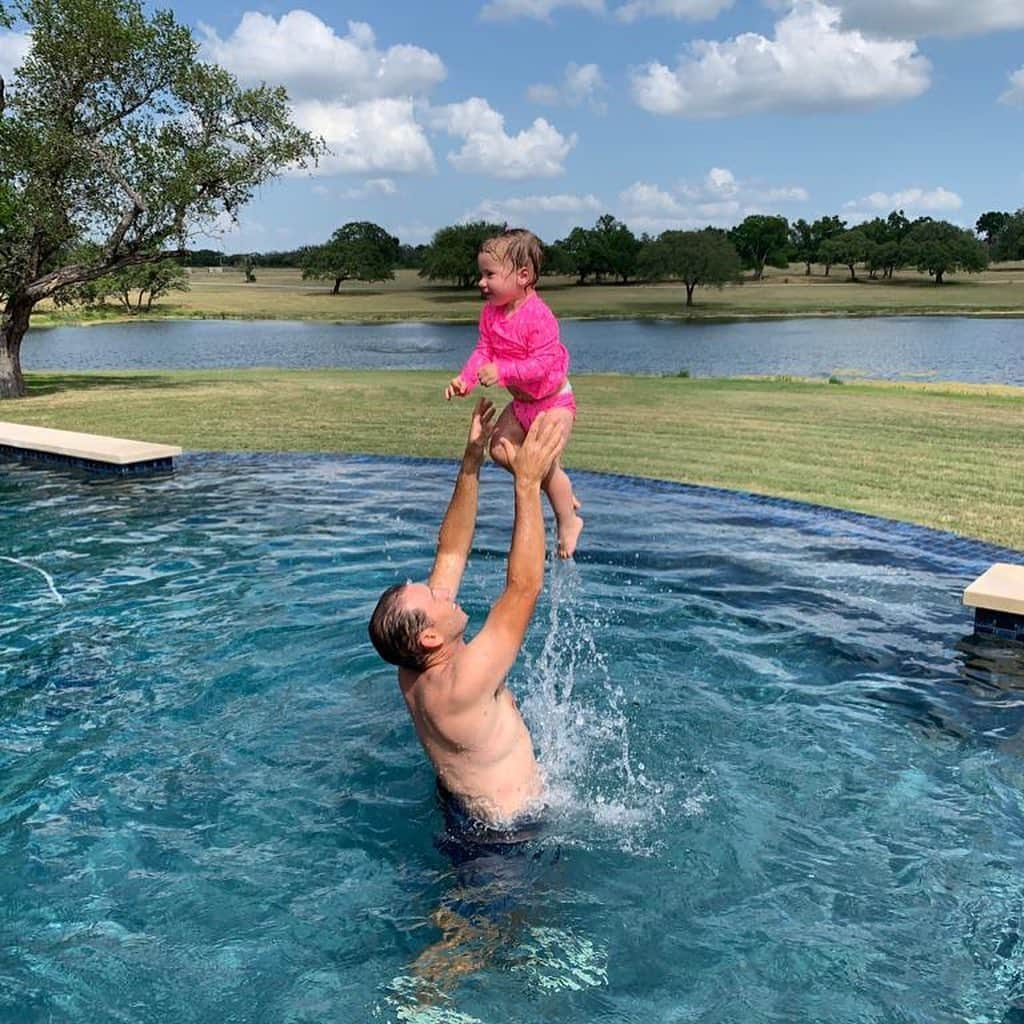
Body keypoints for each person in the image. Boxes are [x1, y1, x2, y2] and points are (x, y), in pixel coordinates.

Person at [368, 397, 566, 829]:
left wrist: (472, 461)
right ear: (429, 638)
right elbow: (523, 589)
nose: (442, 593)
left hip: (459, 807)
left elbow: (452, 550)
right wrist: (527, 485)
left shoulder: (413, 669)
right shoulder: (464, 682)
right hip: (504, 838)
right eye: (432, 598)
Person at [444, 228, 583, 560]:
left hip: (553, 403)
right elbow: (483, 351)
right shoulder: (490, 314)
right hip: (522, 404)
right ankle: (556, 485)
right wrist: (465, 380)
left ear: (523, 276)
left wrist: (503, 371)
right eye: (482, 274)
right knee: (500, 450)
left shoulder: (539, 317)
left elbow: (544, 364)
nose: (481, 282)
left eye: (489, 274)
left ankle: (568, 520)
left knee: (539, 464)